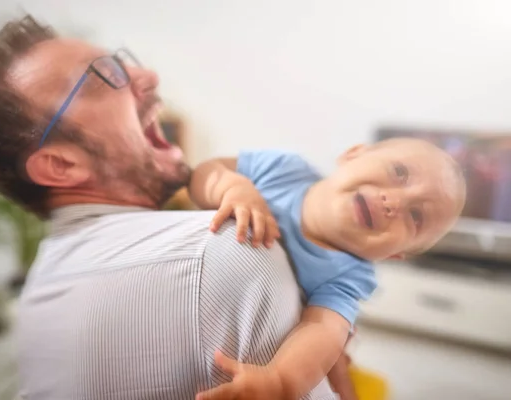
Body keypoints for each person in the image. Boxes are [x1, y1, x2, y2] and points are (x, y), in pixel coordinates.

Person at [0, 14, 337, 400]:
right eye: (101, 76)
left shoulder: (39, 291)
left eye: (120, 62)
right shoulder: (226, 248)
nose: (149, 75)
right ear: (62, 164)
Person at [188, 138, 467, 399]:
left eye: (416, 216)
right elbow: (205, 171)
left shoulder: (349, 273)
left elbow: (322, 330)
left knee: (338, 367)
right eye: (399, 173)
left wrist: (279, 380)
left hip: (249, 345)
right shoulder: (283, 170)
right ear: (354, 153)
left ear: (394, 254)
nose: (393, 202)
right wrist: (232, 187)